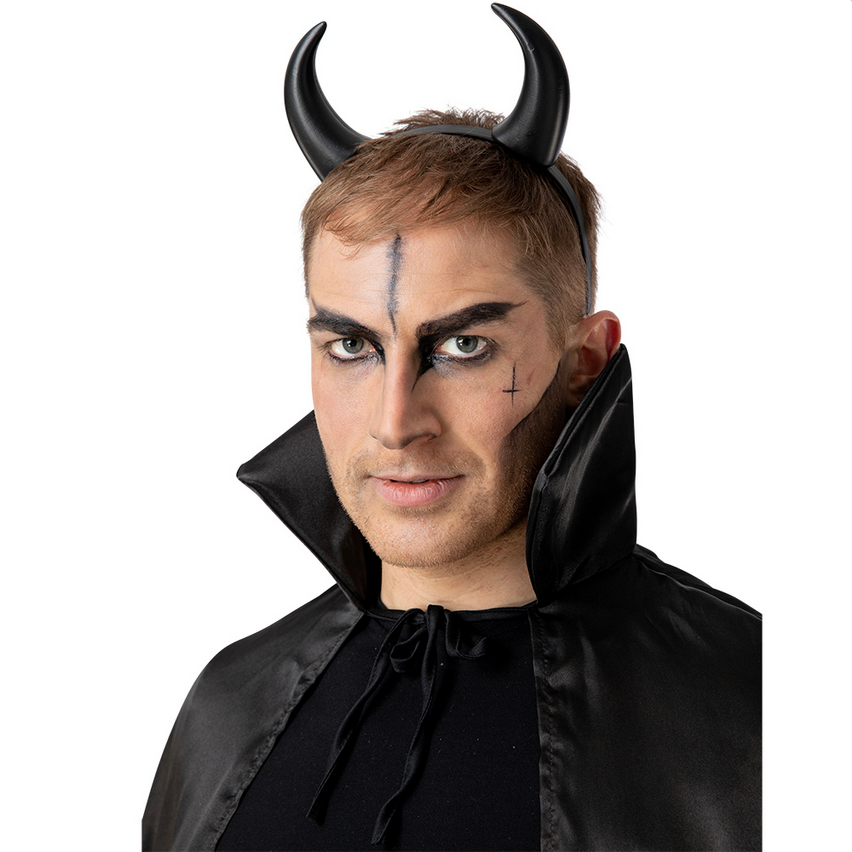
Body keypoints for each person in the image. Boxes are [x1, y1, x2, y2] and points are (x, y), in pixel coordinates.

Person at [143, 5, 761, 851]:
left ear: (584, 360)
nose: (396, 423)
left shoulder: (756, 709)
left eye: (464, 346)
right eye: (352, 345)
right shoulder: (229, 706)